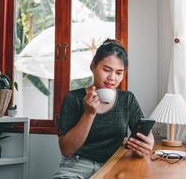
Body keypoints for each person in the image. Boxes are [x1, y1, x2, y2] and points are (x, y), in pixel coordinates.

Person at [52, 39, 154, 179]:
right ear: (93, 66)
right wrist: (89, 113)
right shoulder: (74, 98)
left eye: (119, 73)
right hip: (76, 166)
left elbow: (143, 131)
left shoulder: (127, 99)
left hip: (114, 164)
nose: (112, 78)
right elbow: (67, 150)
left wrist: (148, 143)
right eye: (106, 70)